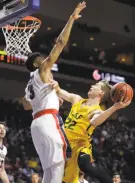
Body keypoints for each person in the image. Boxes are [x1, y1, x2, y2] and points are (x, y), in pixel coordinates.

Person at [21, 2, 86, 183]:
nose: (46, 59)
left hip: (36, 124)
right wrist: (72, 18)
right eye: (43, 58)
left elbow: (26, 104)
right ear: (37, 63)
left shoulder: (30, 82)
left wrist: (51, 98)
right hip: (49, 121)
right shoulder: (42, 70)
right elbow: (61, 43)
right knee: (58, 167)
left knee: (49, 171)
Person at [50, 79, 131, 183]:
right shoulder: (77, 99)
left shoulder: (96, 111)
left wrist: (115, 107)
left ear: (101, 93)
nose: (92, 85)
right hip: (64, 146)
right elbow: (61, 91)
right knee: (66, 180)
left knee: (85, 165)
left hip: (80, 145)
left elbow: (95, 121)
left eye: (96, 85)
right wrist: (56, 86)